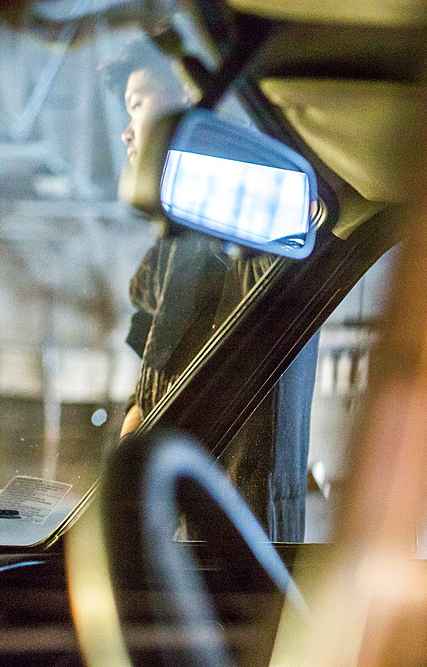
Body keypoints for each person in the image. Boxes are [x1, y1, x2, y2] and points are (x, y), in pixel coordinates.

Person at [101, 37, 319, 542]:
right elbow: (165, 342)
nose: (126, 132)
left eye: (137, 104)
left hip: (234, 523)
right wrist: (140, 408)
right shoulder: (189, 225)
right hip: (189, 506)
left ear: (186, 91)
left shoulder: (257, 210)